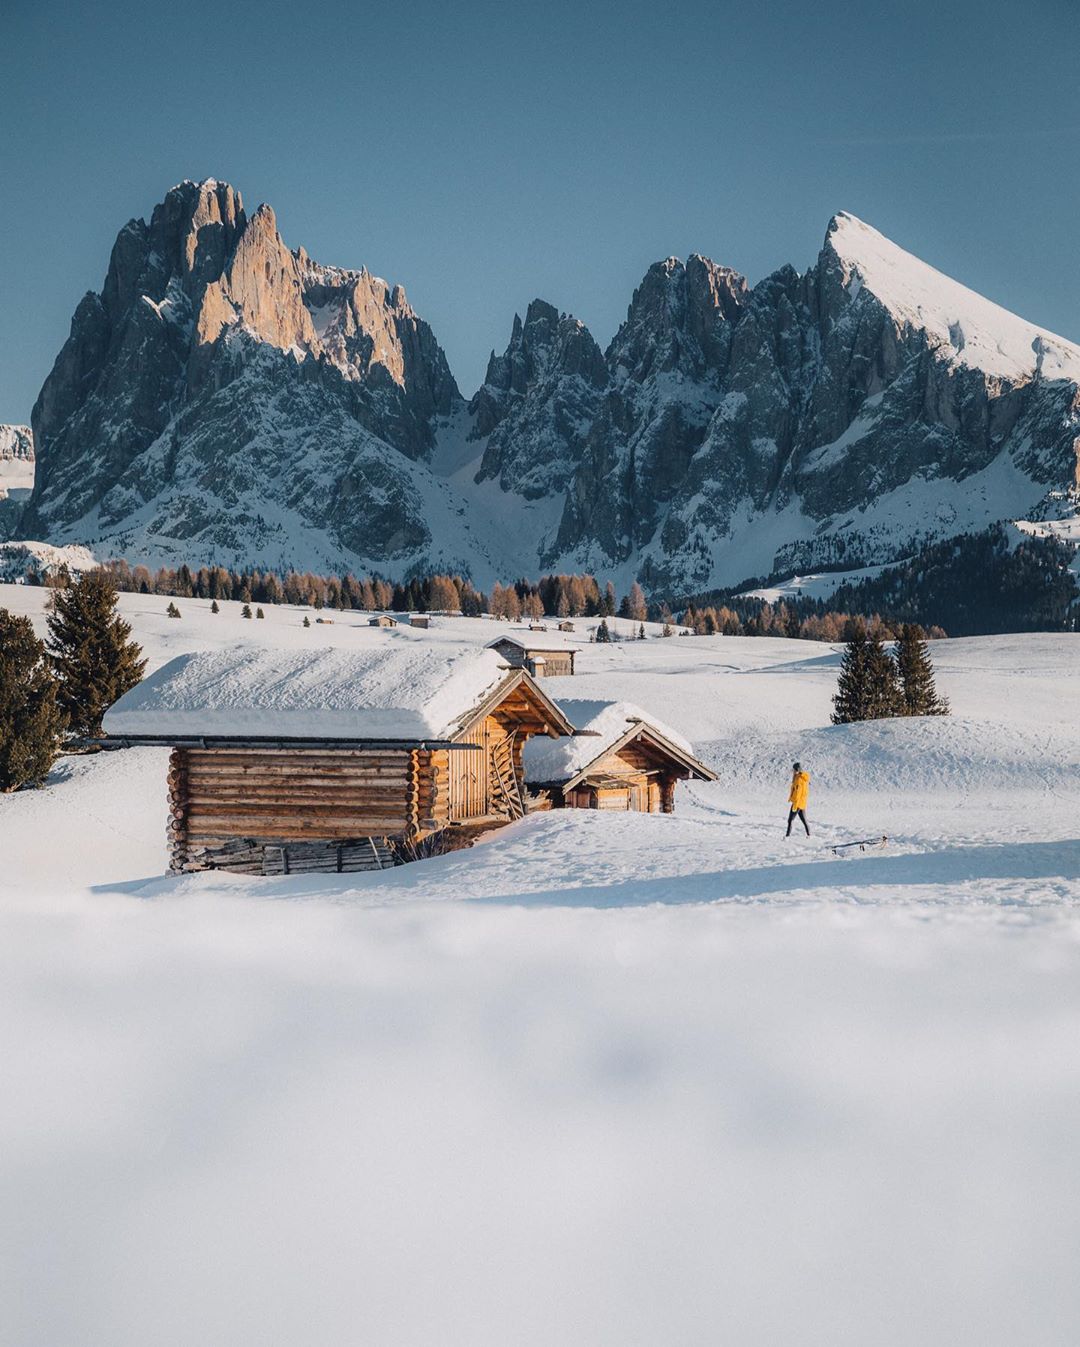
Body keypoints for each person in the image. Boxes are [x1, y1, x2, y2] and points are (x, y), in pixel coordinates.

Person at [786, 762, 810, 836]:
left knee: (790, 820)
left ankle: (787, 836)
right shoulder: (797, 777)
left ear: (797, 769)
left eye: (793, 769)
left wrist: (795, 803)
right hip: (800, 803)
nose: (792, 771)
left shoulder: (800, 779)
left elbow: (798, 792)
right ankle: (809, 835)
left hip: (798, 802)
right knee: (804, 820)